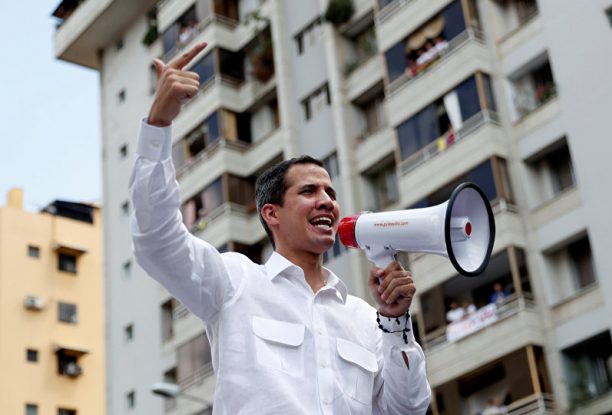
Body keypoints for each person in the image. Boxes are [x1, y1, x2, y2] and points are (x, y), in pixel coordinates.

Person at [130, 42, 431, 414]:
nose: (327, 201)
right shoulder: (235, 283)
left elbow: (408, 410)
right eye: (308, 191)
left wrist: (395, 322)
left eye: (331, 193)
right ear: (271, 213)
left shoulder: (365, 319)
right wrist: (158, 125)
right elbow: (157, 243)